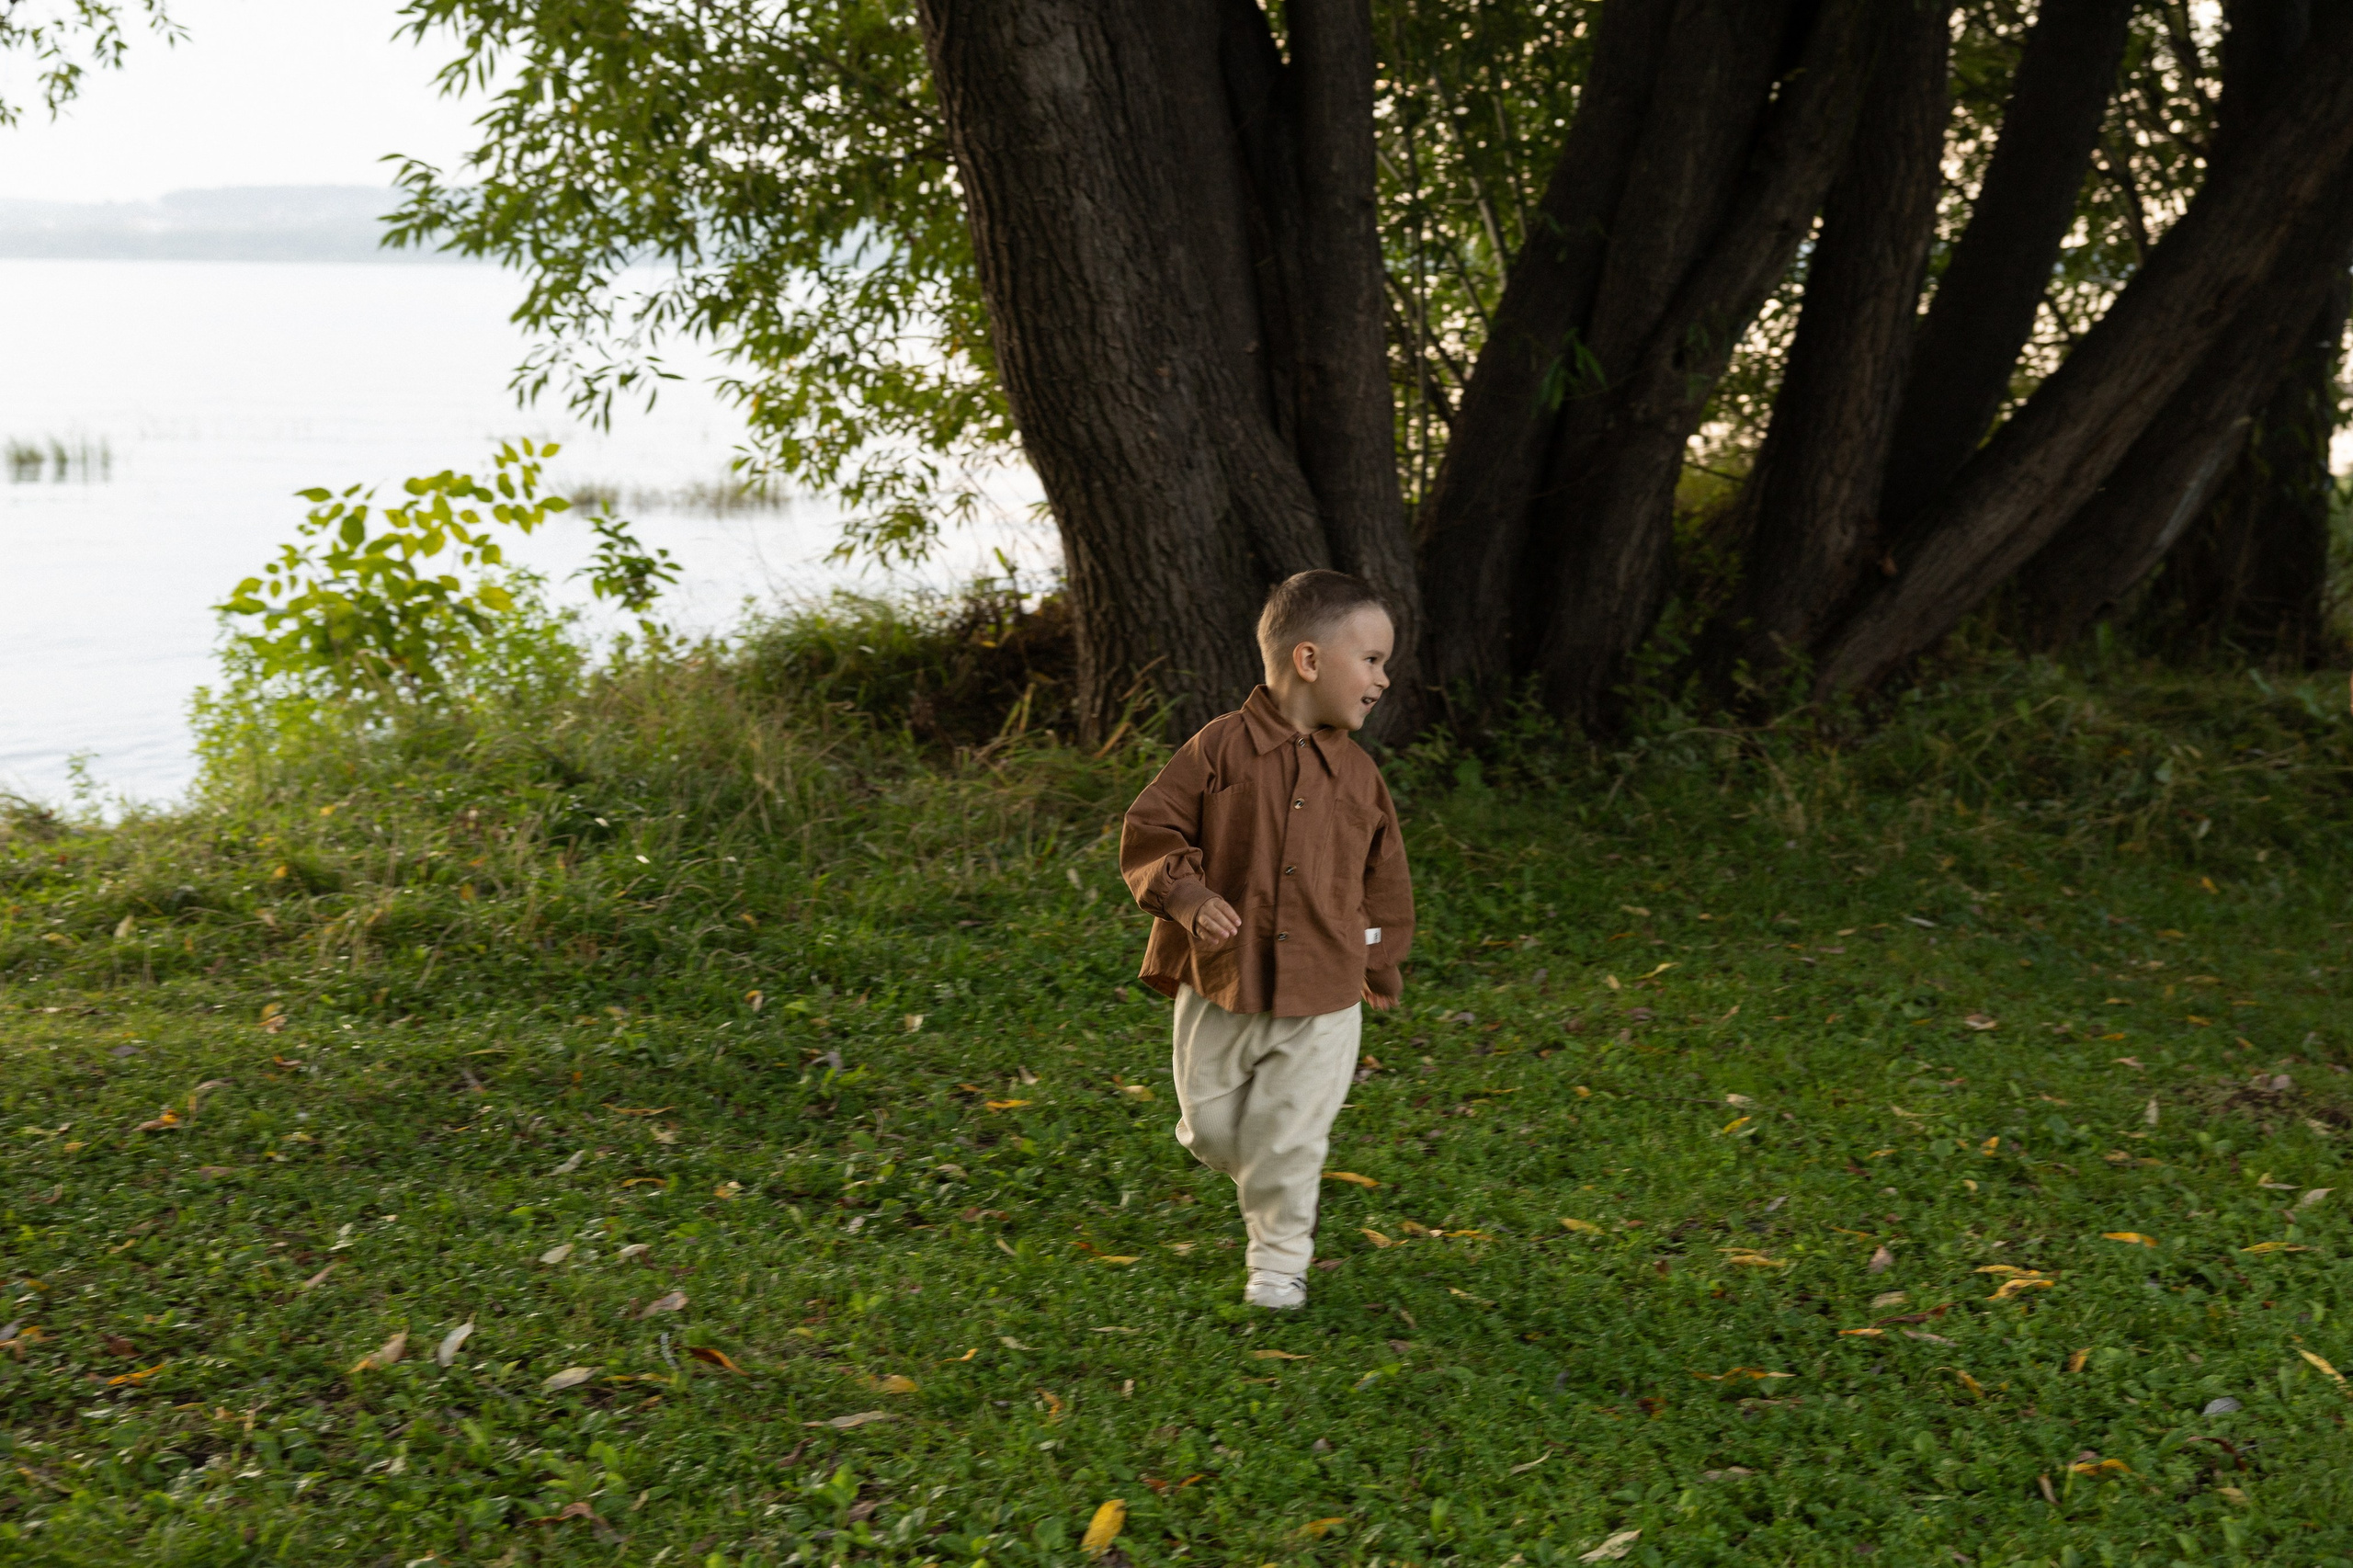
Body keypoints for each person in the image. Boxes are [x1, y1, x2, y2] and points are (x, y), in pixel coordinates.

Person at [1119, 570, 1415, 1310]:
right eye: (1371, 659)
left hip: (1325, 989)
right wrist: (1187, 896)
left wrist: (1378, 960)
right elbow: (1152, 829)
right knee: (1214, 1130)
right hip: (1224, 979)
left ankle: (1279, 1266)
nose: (1383, 678)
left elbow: (1384, 877)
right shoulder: (1219, 748)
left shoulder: (1361, 778)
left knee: (1288, 1137)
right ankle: (1263, 1170)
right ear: (1308, 660)